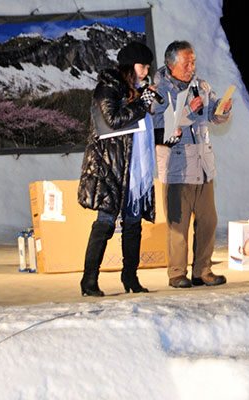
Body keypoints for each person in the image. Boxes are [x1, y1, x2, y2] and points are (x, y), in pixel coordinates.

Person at [77, 41, 158, 296]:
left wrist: (169, 136)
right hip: (110, 168)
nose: (145, 70)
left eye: (147, 66)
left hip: (134, 169)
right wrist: (142, 104)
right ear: (128, 65)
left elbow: (142, 131)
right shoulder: (107, 89)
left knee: (133, 225)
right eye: (141, 65)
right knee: (105, 223)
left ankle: (130, 278)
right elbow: (112, 121)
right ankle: (89, 281)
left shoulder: (136, 92)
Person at [151, 40, 232, 288]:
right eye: (186, 63)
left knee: (208, 220)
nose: (191, 67)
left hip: (203, 164)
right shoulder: (158, 90)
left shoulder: (201, 85)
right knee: (178, 224)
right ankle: (177, 273)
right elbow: (159, 132)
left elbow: (213, 117)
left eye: (193, 61)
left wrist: (223, 110)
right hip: (177, 167)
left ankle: (202, 271)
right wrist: (186, 112)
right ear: (170, 64)